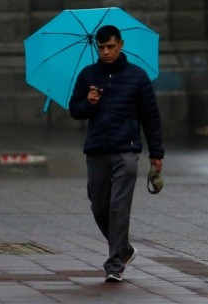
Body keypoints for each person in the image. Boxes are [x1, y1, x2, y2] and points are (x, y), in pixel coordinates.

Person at [69, 25, 165, 283]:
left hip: (127, 150)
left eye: (110, 46)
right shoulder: (88, 75)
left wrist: (156, 155)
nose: (106, 52)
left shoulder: (137, 76)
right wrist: (87, 103)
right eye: (101, 48)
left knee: (119, 208)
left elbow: (151, 118)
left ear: (120, 44)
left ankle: (114, 264)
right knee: (99, 206)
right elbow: (74, 110)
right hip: (97, 150)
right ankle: (125, 250)